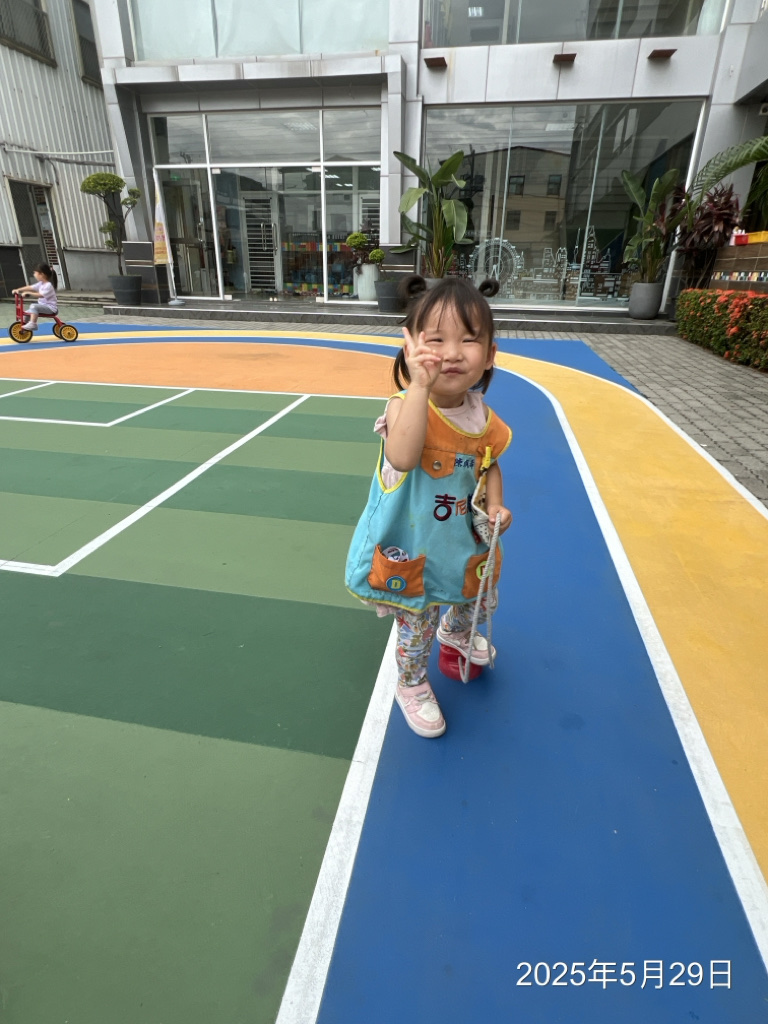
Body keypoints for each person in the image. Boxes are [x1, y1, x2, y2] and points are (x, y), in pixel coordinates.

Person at [345, 275, 513, 738]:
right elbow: (402, 456)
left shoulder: (485, 419)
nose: (452, 353)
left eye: (468, 340)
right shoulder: (403, 406)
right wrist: (418, 386)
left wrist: (497, 505)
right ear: (411, 348)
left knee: (475, 598)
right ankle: (412, 682)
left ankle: (456, 633)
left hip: (463, 543)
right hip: (415, 548)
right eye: (436, 340)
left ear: (490, 354)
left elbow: (490, 464)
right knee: (416, 624)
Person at [12, 264, 58, 332]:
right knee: (27, 313)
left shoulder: (48, 285)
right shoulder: (41, 283)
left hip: (51, 308)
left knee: (33, 306)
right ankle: (24, 325)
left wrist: (29, 293)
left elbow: (41, 295)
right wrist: (18, 290)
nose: (34, 274)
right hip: (43, 306)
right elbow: (30, 287)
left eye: (35, 273)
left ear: (41, 274)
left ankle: (33, 324)